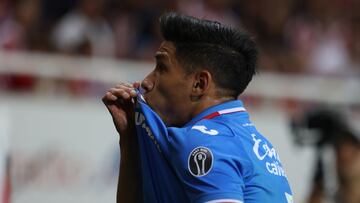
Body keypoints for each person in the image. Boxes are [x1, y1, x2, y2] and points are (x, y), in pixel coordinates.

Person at [103, 12, 293, 203]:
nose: (147, 81)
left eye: (162, 68)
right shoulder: (255, 143)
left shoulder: (204, 142)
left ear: (199, 84)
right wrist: (129, 139)